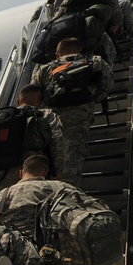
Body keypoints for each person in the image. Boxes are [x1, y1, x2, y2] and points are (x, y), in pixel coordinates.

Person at [32, 37, 114, 188]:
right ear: (80, 50)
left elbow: (33, 93)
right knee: (73, 157)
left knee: (51, 156)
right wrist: (90, 100)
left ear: (57, 54)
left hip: (52, 119)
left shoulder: (45, 68)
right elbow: (107, 84)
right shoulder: (95, 61)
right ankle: (69, 192)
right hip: (80, 117)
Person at [0, 85, 64, 192]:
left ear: (18, 101)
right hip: (32, 171)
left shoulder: (1, 116)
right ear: (39, 99)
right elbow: (57, 143)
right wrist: (58, 170)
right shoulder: (45, 115)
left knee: (5, 204)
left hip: (1, 174)